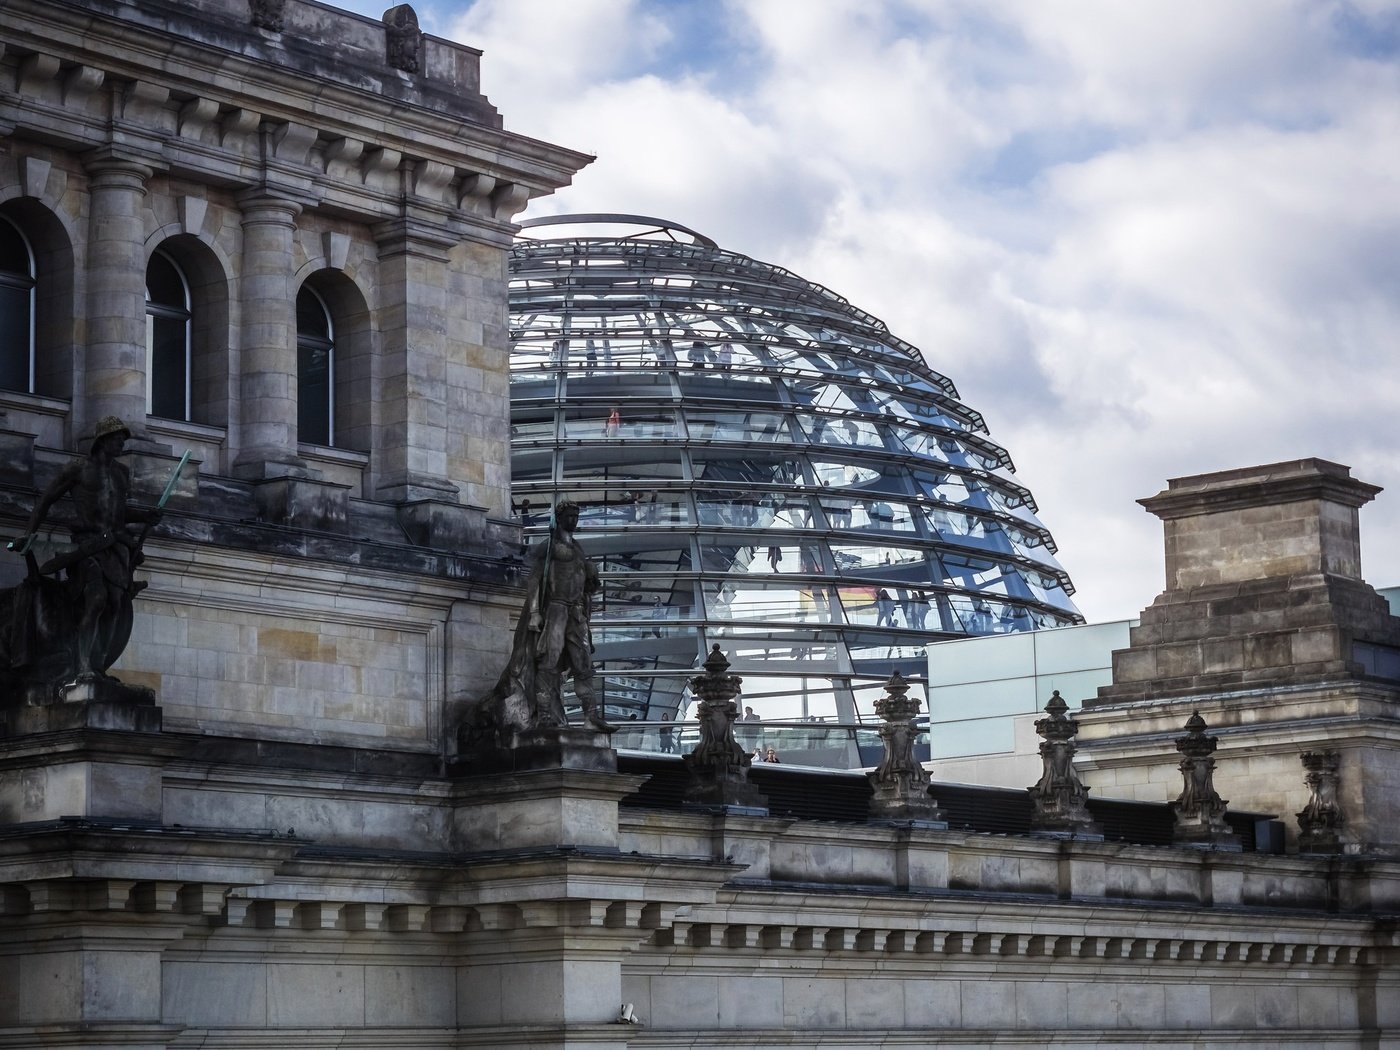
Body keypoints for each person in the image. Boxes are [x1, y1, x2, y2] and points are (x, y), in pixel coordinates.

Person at [14, 416, 161, 679]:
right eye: (118, 439)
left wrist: (145, 517)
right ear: (103, 440)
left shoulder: (121, 473)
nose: (122, 445)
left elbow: (118, 512)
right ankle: (81, 665)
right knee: (96, 600)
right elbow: (46, 500)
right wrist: (29, 534)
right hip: (89, 545)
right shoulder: (78, 469)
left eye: (123, 440)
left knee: (116, 604)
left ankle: (98, 665)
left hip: (117, 547)